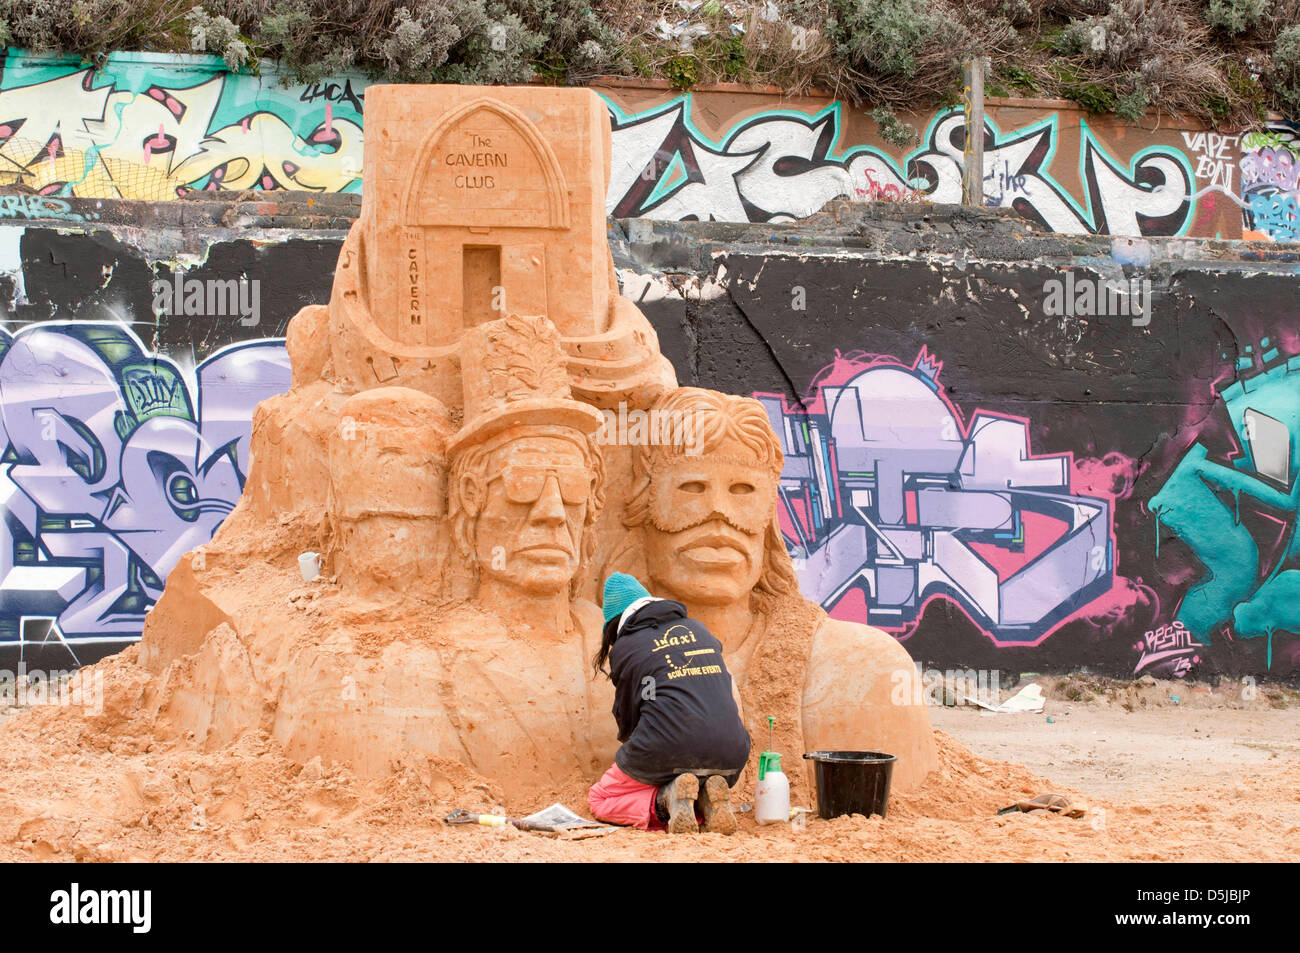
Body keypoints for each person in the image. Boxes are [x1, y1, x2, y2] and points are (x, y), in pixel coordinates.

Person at [587, 572, 751, 834]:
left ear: (615, 623)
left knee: (601, 799)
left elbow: (628, 717)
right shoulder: (699, 629)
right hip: (732, 754)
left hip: (665, 749)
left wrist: (636, 751)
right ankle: (703, 800)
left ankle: (664, 803)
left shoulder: (627, 646)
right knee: (687, 771)